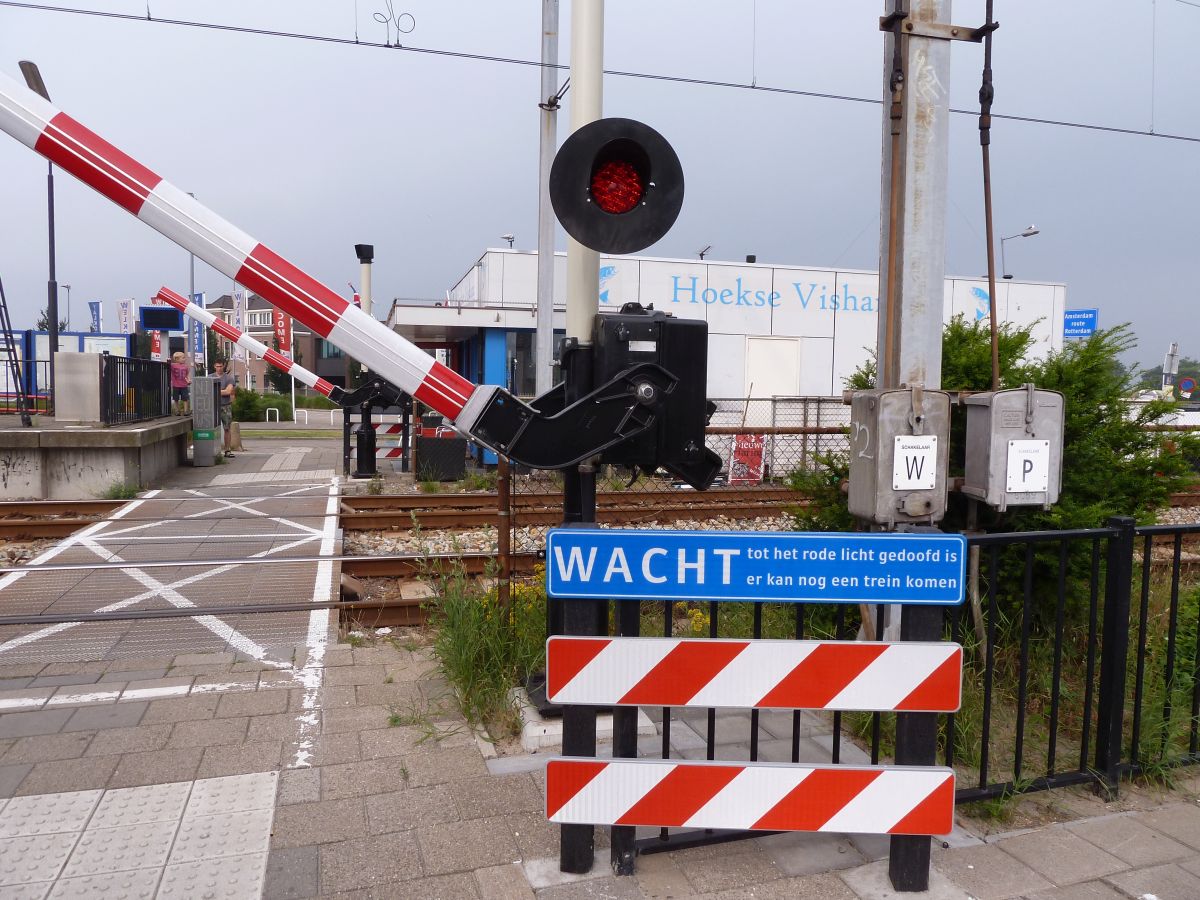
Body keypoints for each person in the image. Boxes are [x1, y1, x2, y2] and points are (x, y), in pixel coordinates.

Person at [214, 359, 237, 457]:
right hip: (213, 406)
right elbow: (206, 390)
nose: (219, 368)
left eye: (220, 366)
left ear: (223, 366)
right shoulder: (210, 377)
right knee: (211, 428)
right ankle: (212, 450)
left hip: (225, 406)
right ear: (214, 366)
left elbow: (228, 391)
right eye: (217, 366)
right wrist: (222, 391)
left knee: (227, 428)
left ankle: (227, 450)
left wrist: (214, 390)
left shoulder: (229, 378)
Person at [170, 351, 191, 416]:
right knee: (176, 398)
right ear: (177, 359)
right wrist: (168, 361)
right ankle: (177, 411)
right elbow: (168, 365)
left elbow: (187, 375)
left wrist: (188, 380)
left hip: (184, 385)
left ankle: (185, 411)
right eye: (183, 358)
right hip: (176, 385)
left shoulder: (185, 366)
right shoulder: (173, 365)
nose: (184, 359)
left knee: (185, 398)